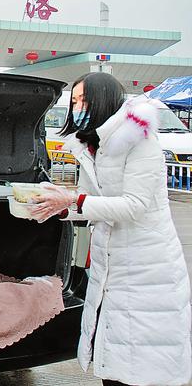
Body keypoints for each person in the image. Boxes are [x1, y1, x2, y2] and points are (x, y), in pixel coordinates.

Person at [32, 72, 191, 386]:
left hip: (147, 265)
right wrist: (59, 206)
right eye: (74, 101)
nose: (77, 107)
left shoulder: (140, 140)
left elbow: (134, 205)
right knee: (114, 353)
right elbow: (90, 199)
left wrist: (73, 199)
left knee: (148, 359)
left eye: (82, 100)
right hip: (112, 262)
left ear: (103, 100)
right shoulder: (90, 145)